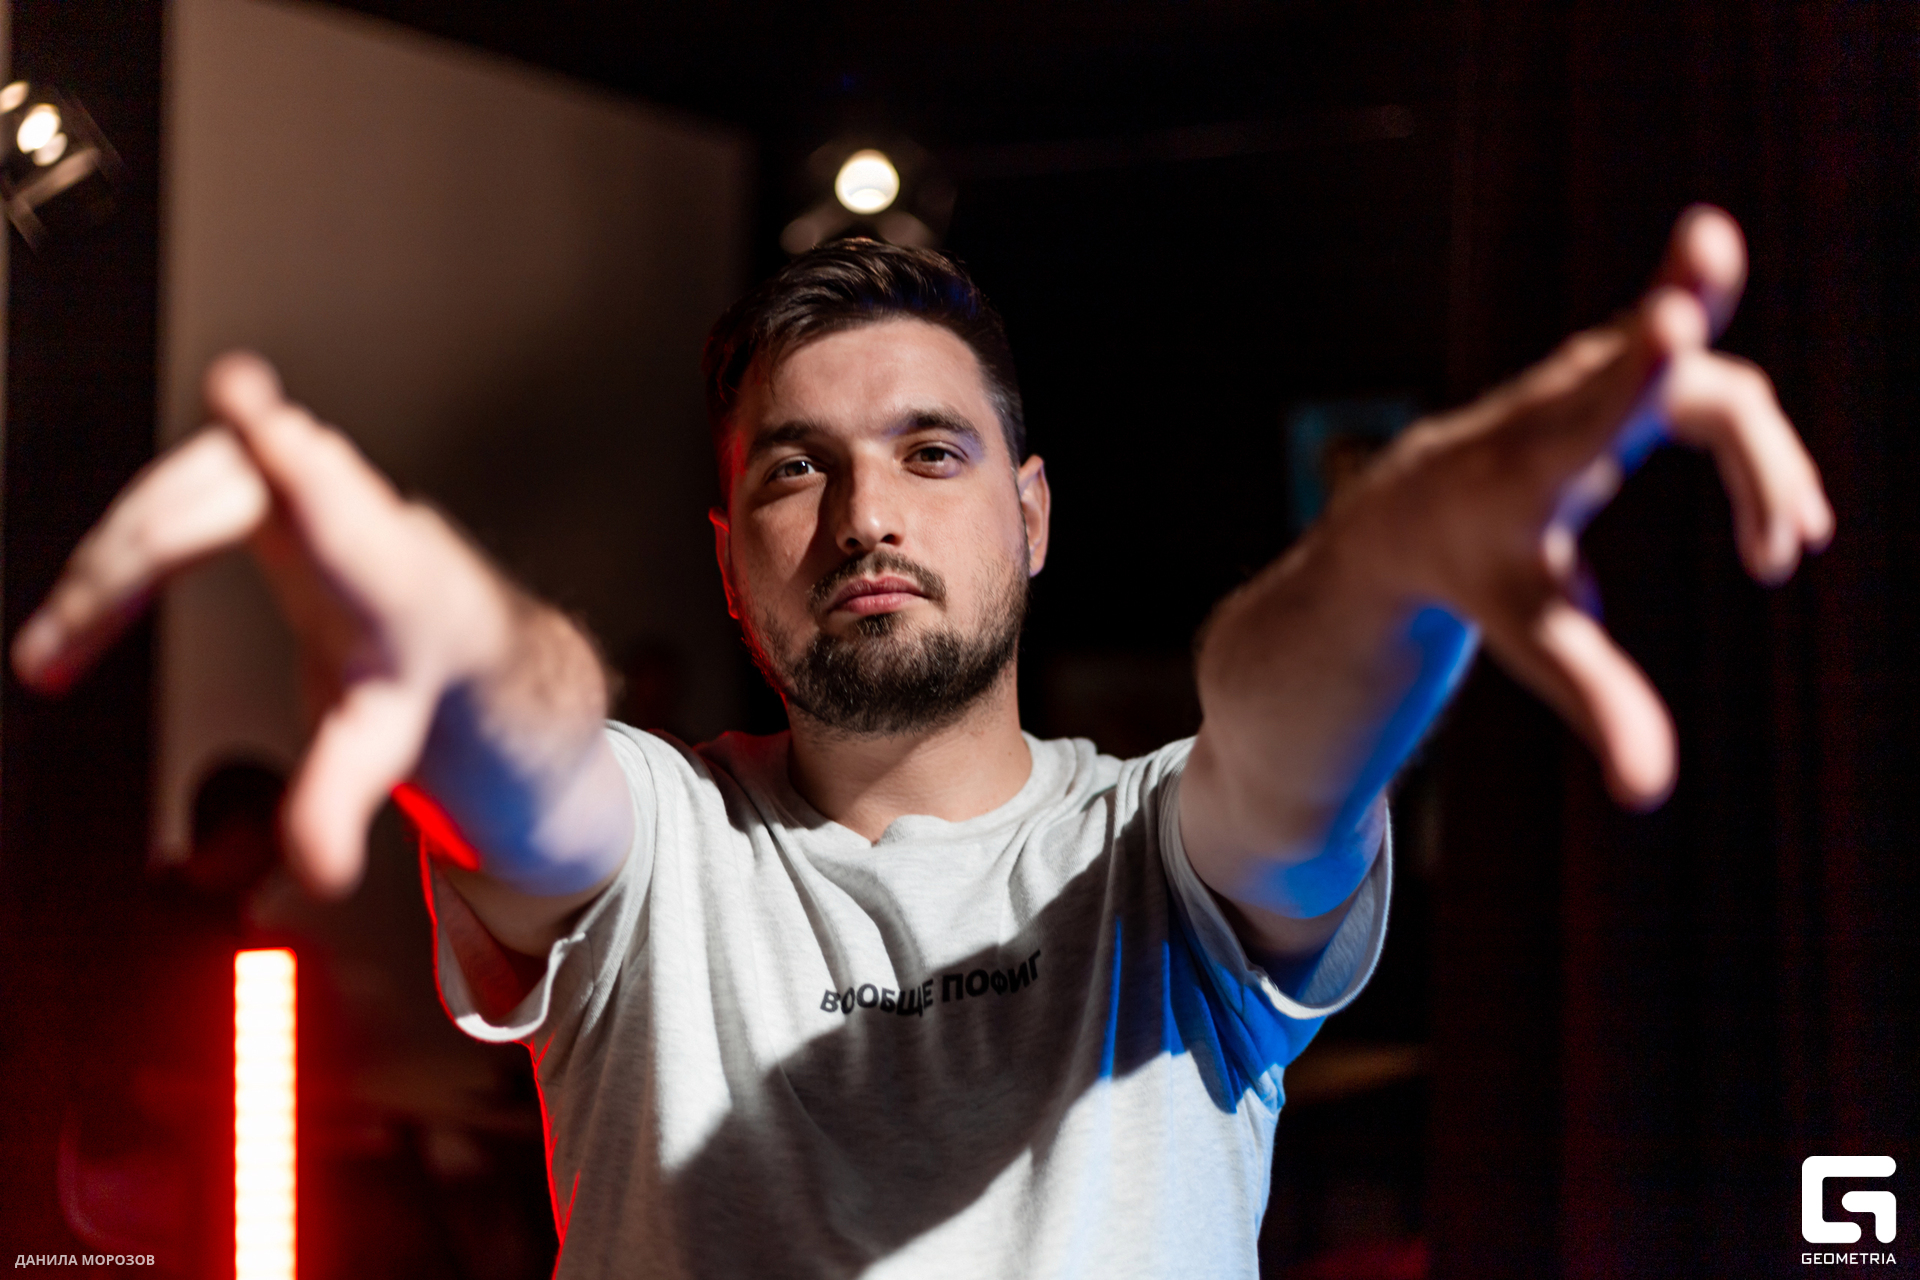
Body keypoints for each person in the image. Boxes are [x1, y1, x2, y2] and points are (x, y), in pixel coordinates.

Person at [13, 206, 1831, 1278]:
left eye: (931, 452)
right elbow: (536, 736)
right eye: (795, 470)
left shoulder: (1159, 858)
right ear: (729, 561)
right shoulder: (660, 844)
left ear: (1033, 515)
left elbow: (1285, 731)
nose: (866, 513)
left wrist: (1386, 567)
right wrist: (444, 622)